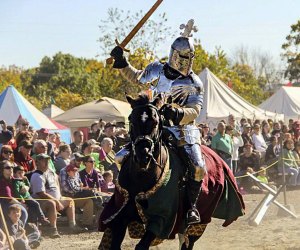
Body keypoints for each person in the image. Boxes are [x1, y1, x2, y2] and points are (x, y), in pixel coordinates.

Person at [110, 20, 206, 224]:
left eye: (189, 57)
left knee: (198, 167)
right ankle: (125, 198)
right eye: (182, 56)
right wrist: (122, 62)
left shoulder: (193, 83)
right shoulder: (157, 68)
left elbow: (195, 110)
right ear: (173, 53)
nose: (185, 60)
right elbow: (137, 77)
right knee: (120, 158)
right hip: (154, 128)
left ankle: (191, 208)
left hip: (182, 131)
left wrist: (177, 112)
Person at [30, 153, 85, 238]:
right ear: (37, 163)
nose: (46, 163)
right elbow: (41, 194)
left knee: (70, 200)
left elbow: (57, 182)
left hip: (55, 198)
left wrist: (59, 196)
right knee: (51, 203)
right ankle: (52, 229)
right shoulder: (37, 175)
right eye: (43, 161)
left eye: (47, 161)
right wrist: (56, 200)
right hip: (41, 201)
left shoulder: (50, 172)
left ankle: (72, 225)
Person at [60, 163, 95, 230]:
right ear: (68, 172)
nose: (75, 172)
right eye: (73, 171)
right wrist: (82, 188)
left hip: (76, 197)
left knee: (89, 201)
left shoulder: (74, 178)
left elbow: (78, 187)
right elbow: (72, 190)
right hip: (70, 199)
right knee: (90, 195)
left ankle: (87, 223)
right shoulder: (68, 179)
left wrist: (81, 188)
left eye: (75, 171)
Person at [0, 161, 28, 225]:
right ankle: (17, 231)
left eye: (12, 167)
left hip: (14, 201)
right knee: (22, 212)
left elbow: (23, 184)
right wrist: (20, 204)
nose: (11, 169)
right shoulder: (2, 181)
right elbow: (8, 198)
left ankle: (31, 229)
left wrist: (26, 187)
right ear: (2, 170)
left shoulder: (12, 178)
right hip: (4, 203)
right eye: (8, 167)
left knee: (32, 205)